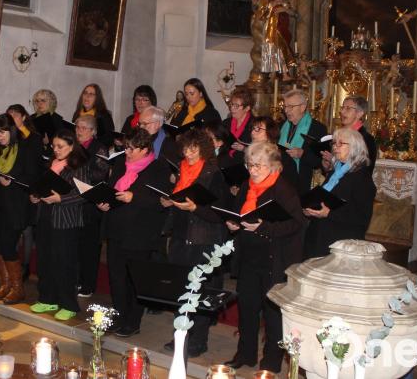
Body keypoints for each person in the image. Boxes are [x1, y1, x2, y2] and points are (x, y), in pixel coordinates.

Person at [223, 142, 307, 372]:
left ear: (273, 165)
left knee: (272, 314)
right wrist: (233, 224)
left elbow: (296, 224)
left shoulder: (283, 189)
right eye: (250, 165)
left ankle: (271, 361)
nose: (253, 170)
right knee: (247, 308)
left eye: (258, 165)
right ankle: (246, 354)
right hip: (249, 255)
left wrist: (263, 228)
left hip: (274, 259)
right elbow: (239, 212)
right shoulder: (246, 186)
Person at [161, 128, 228, 357]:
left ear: (203, 149)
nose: (188, 153)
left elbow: (220, 213)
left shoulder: (213, 173)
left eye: (194, 148)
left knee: (199, 292)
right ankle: (180, 336)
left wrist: (196, 208)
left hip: (203, 240)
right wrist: (170, 202)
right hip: (181, 238)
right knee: (181, 291)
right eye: (186, 148)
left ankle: (198, 341)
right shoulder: (182, 170)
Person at [98, 129, 171, 337]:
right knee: (116, 277)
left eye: (131, 149)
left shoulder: (158, 168)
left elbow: (160, 201)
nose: (127, 152)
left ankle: (133, 321)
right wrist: (105, 203)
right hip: (117, 229)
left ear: (145, 149)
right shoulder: (121, 163)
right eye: (126, 147)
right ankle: (119, 316)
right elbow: (112, 190)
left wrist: (134, 197)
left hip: (141, 233)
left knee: (135, 279)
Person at [29, 129, 89, 321]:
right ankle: (48, 298)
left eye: (60, 146)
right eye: (54, 146)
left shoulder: (78, 166)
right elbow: (44, 185)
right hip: (46, 217)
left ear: (72, 147)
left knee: (64, 263)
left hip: (66, 221)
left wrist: (60, 198)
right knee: (45, 260)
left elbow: (82, 195)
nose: (56, 149)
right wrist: (36, 195)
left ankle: (68, 304)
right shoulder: (52, 163)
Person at [0, 114, 40, 305]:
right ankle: (6, 284)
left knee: (9, 245)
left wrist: (11, 180)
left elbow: (33, 176)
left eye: (3, 132)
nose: (0, 136)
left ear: (12, 130)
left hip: (15, 205)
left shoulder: (24, 148)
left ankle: (18, 289)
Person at [303, 127, 376, 259]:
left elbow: (361, 218)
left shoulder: (361, 177)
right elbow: (326, 200)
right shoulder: (336, 171)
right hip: (320, 238)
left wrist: (329, 213)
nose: (335, 148)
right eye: (334, 143)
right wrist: (311, 209)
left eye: (340, 144)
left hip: (341, 245)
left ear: (355, 147)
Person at [75, 115, 109, 297]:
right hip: (75, 203)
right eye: (77, 127)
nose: (78, 131)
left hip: (91, 204)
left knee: (89, 247)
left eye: (83, 128)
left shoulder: (99, 148)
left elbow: (101, 174)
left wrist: (81, 171)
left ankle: (88, 284)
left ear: (92, 131)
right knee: (76, 245)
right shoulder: (74, 146)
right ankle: (77, 280)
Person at [6, 103, 41, 282]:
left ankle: (26, 265)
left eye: (15, 116)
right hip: (12, 187)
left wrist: (34, 189)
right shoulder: (9, 136)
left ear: (24, 117)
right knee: (13, 227)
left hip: (27, 186)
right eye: (9, 116)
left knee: (27, 228)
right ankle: (13, 264)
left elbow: (36, 165)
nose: (12, 119)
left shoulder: (33, 137)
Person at [278, 89, 328, 195]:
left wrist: (302, 154)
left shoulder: (317, 128)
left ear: (302, 107)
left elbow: (321, 162)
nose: (286, 110)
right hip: (280, 179)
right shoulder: (281, 125)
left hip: (302, 183)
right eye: (285, 106)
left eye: (291, 107)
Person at [246, 0, 296, 79]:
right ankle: (273, 74)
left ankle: (285, 74)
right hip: (269, 31)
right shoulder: (268, 2)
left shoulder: (285, 2)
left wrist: (284, 9)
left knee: (281, 50)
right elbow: (255, 2)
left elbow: (294, 14)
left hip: (281, 30)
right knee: (271, 51)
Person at [322, 96, 377, 175]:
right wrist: (327, 167)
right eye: (342, 107)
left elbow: (364, 171)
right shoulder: (338, 136)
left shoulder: (367, 139)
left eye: (348, 108)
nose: (342, 112)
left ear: (359, 114)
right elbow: (330, 171)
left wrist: (334, 162)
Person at [249, 116, 298, 188]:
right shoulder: (251, 155)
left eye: (258, 129)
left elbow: (289, 189)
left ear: (270, 133)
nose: (252, 133)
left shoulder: (282, 158)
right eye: (252, 129)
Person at [72, 84, 116, 148]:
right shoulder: (77, 114)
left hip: (95, 151)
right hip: (77, 149)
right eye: (85, 93)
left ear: (97, 98)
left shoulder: (103, 116)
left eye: (91, 94)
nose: (87, 96)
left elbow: (109, 139)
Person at [223, 87, 255, 161]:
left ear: (247, 108)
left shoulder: (255, 126)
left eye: (236, 106)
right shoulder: (226, 123)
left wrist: (244, 149)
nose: (232, 108)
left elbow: (260, 151)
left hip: (245, 164)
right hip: (225, 161)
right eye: (231, 104)